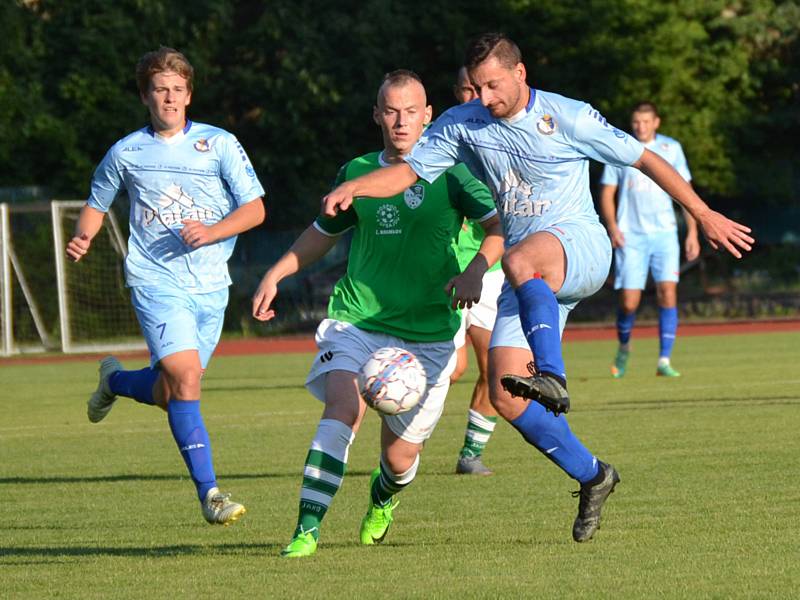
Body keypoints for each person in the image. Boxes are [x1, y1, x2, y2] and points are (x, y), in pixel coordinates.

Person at [322, 33, 753, 542]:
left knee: (522, 260)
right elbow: (410, 173)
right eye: (475, 88)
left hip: (580, 249)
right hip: (532, 280)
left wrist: (702, 214)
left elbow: (644, 159)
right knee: (506, 395)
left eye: (493, 85)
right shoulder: (463, 124)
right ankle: (593, 475)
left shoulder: (567, 116)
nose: (483, 98)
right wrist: (356, 185)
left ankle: (553, 374)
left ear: (520, 74)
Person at [252, 69, 503, 557]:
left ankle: (383, 498)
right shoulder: (357, 172)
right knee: (343, 409)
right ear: (377, 115)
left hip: (430, 331)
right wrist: (277, 272)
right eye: (391, 111)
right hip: (358, 319)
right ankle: (306, 530)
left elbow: (496, 227)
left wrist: (475, 270)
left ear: (428, 115)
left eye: (411, 111)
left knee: (399, 457)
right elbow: (321, 235)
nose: (401, 121)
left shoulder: (453, 171)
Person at [66, 47, 266, 526]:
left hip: (212, 284)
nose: (170, 98)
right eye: (160, 89)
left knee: (172, 390)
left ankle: (114, 380)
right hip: (155, 280)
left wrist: (214, 232)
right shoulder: (126, 151)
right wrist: (83, 235)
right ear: (145, 96)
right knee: (186, 380)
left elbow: (256, 209)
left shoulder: (219, 144)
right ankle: (211, 494)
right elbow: (98, 201)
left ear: (189, 94)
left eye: (178, 89)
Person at [599, 102, 699, 378]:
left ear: (656, 122)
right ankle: (623, 347)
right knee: (629, 301)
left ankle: (664, 360)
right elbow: (607, 193)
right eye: (636, 122)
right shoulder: (620, 146)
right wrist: (613, 227)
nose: (640, 126)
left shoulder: (671, 148)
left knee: (668, 293)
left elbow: (685, 192)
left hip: (665, 234)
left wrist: (692, 232)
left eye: (645, 122)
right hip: (630, 236)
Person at [449, 66, 504, 476]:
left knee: (495, 368)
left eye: (484, 88)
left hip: (494, 268)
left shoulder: (506, 134)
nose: (476, 96)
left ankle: (470, 454)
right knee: (452, 369)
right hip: (448, 267)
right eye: (468, 89)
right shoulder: (441, 137)